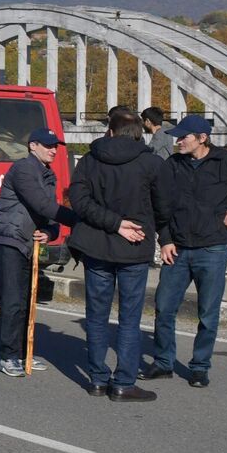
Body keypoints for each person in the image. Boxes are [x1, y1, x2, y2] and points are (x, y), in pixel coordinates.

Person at [144, 114, 227, 388]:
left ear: (202, 138)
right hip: (177, 248)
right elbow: (161, 205)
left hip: (212, 248)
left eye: (184, 137)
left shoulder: (225, 162)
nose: (178, 141)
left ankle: (200, 367)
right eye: (177, 137)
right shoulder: (173, 164)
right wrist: (165, 239)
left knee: (207, 312)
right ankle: (164, 362)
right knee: (164, 308)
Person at [66, 108, 169, 401]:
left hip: (96, 247)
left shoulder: (89, 160)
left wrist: (112, 223)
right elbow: (164, 208)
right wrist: (165, 239)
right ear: (140, 133)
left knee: (96, 316)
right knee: (129, 318)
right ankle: (124, 382)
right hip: (134, 248)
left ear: (110, 131)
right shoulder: (151, 164)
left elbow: (79, 201)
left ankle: (97, 380)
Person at [0, 127, 65, 377]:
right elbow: (40, 203)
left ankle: (25, 352)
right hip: (11, 238)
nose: (53, 150)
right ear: (33, 146)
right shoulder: (23, 169)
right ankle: (9, 356)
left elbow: (49, 212)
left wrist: (51, 233)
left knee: (27, 300)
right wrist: (80, 219)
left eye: (55, 145)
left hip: (29, 241)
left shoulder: (47, 174)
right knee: (12, 300)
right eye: (47, 145)